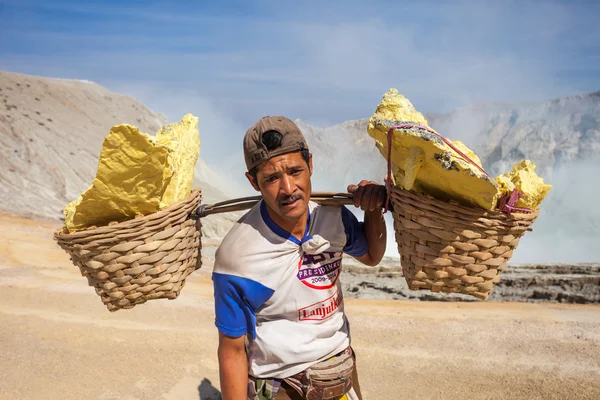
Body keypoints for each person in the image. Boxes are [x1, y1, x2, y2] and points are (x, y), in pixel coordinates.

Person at [213, 116, 387, 400]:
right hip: (282, 384)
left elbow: (371, 255)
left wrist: (372, 209)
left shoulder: (333, 217)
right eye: (271, 178)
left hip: (339, 370)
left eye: (295, 171)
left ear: (311, 165)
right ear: (253, 182)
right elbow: (232, 350)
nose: (289, 188)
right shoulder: (237, 257)